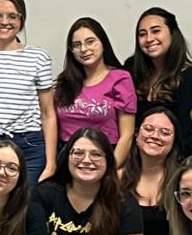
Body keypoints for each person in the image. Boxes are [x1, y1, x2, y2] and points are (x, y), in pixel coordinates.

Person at [0, 0, 57, 187]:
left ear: (21, 20)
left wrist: (51, 163)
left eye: (12, 16)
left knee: (25, 202)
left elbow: (48, 114)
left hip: (27, 144)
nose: (4, 21)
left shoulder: (38, 57)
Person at [125, 7, 192, 156]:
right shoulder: (132, 71)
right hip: (140, 159)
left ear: (172, 33)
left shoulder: (190, 77)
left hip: (180, 160)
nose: (149, 39)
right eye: (142, 34)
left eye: (156, 31)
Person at [54, 17, 136, 166]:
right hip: (66, 156)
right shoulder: (64, 81)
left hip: (103, 156)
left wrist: (110, 170)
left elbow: (127, 135)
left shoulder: (120, 78)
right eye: (77, 45)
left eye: (90, 41)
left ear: (103, 43)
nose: (84, 49)